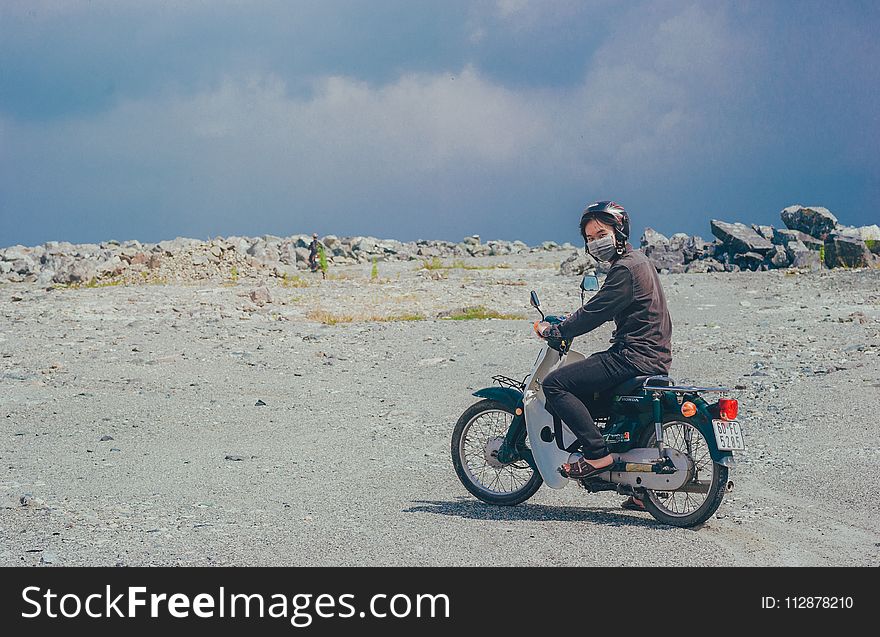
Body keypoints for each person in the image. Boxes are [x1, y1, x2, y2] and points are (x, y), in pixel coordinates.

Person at [536, 201, 672, 511]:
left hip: (632, 355)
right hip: (655, 356)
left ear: (619, 231)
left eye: (601, 233)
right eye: (590, 237)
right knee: (604, 401)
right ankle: (640, 491)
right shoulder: (641, 262)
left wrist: (559, 330)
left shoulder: (625, 269)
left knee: (557, 384)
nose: (596, 241)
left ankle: (597, 455)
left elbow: (595, 312)